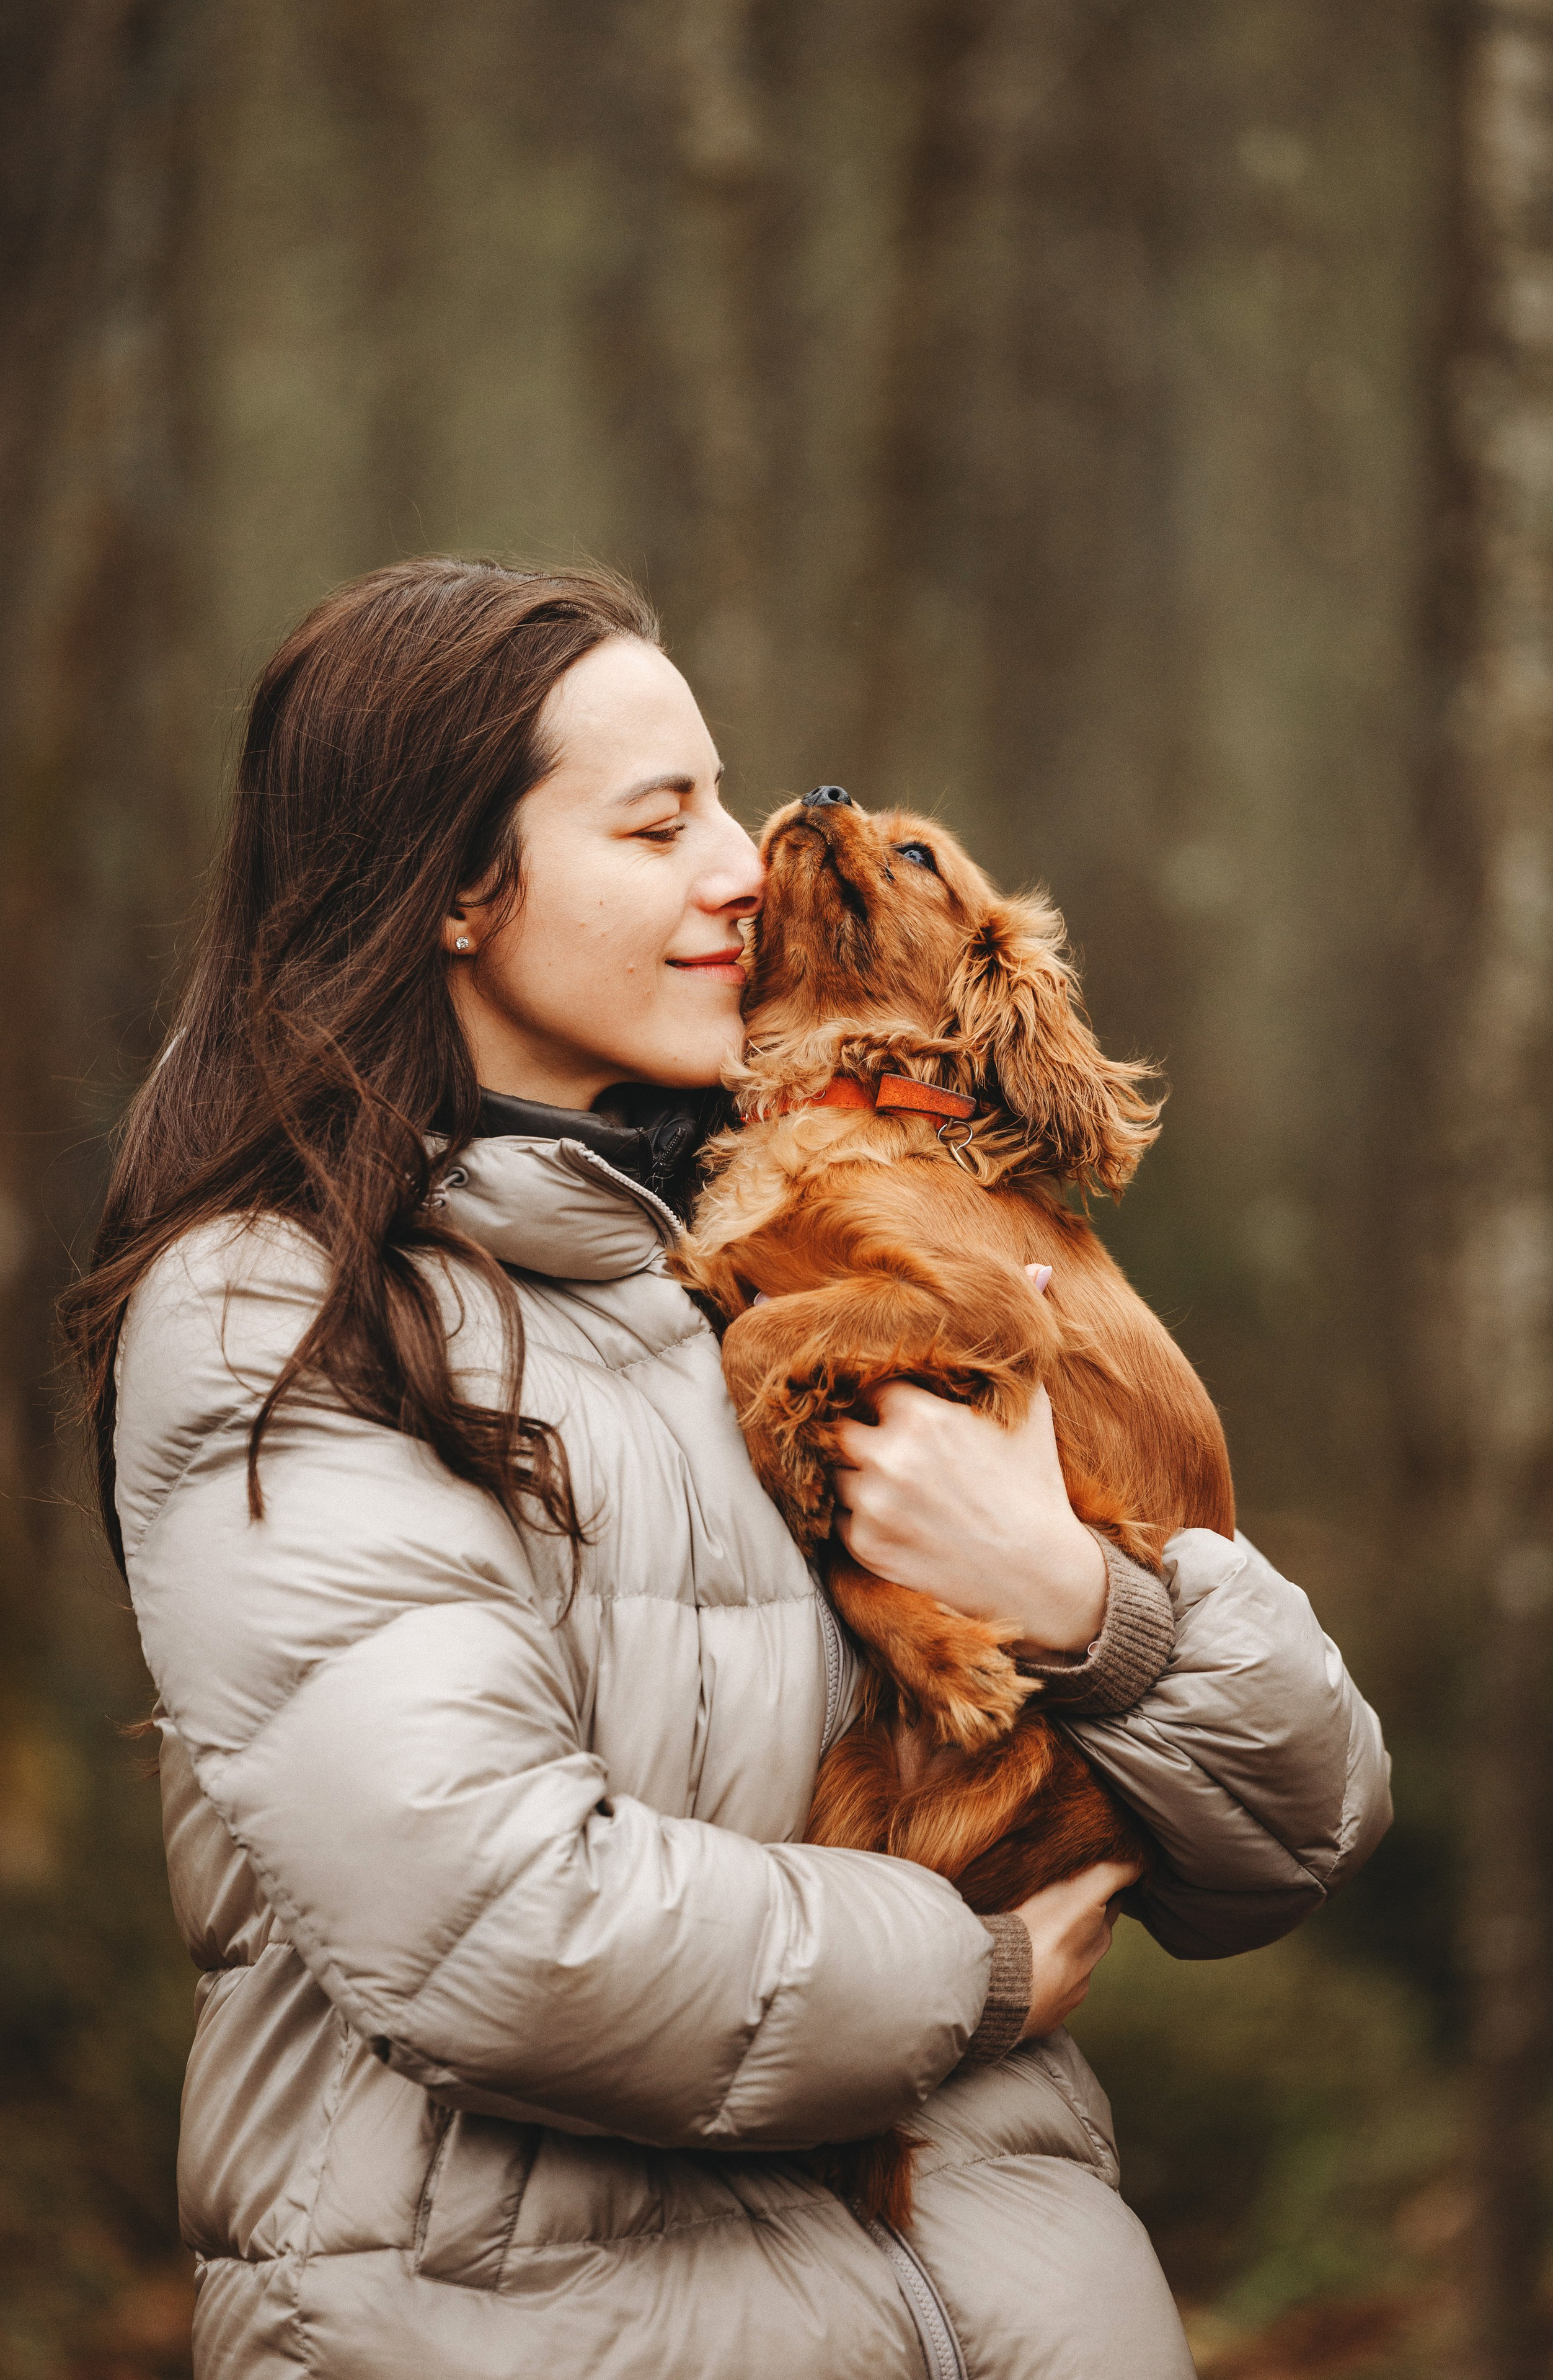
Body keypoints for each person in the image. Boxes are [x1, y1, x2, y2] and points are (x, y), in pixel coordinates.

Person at [66, 559, 1392, 2380]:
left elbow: (1300, 1833)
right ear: (458, 886)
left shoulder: (786, 1239)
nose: (741, 866)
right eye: (657, 822)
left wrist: (1088, 1607)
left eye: (723, 798)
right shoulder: (281, 1314)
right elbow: (502, 1929)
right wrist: (979, 1975)